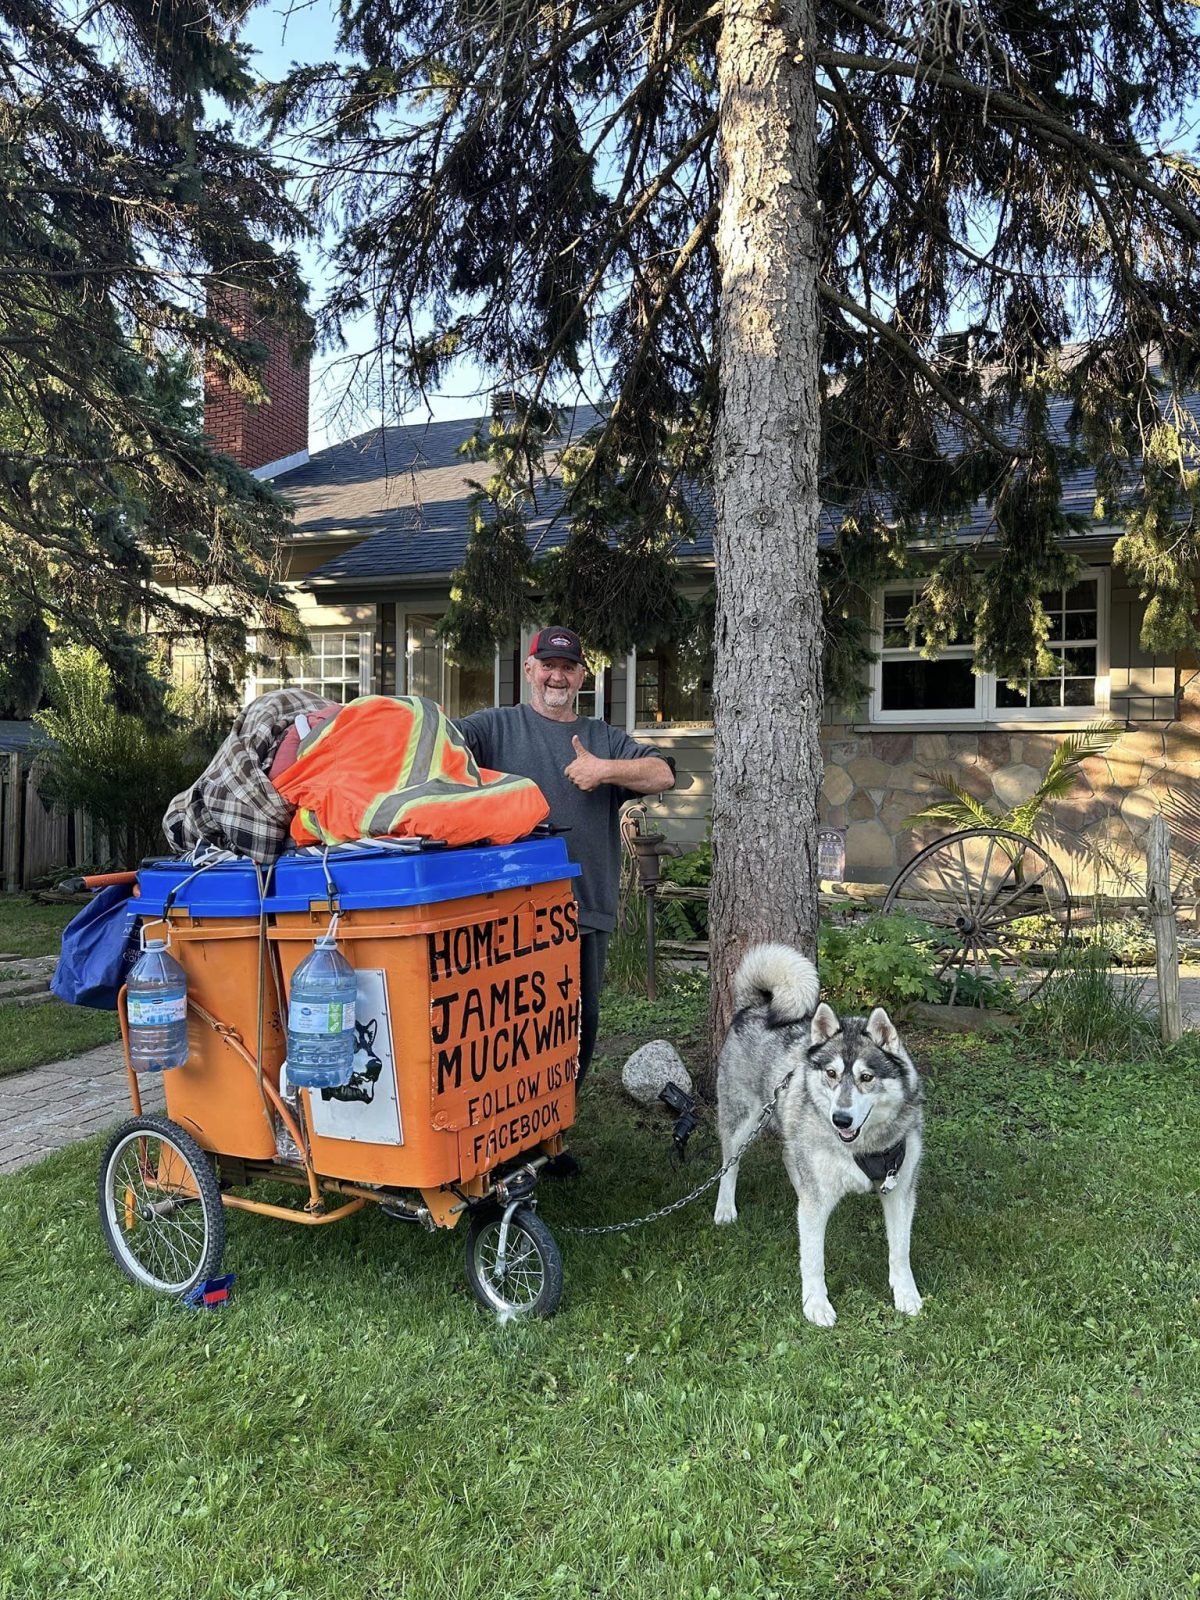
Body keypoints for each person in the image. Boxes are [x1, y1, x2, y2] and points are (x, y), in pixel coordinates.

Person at [455, 625, 676, 1106]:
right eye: (548, 665)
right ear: (529, 670)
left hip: (583, 908)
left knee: (578, 1022)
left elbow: (663, 773)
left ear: (581, 676)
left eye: (569, 667)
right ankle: (511, 1122)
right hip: (509, 910)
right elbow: (444, 742)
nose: (558, 676)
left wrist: (604, 770)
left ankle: (557, 1120)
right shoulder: (495, 727)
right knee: (510, 1022)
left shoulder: (600, 737)